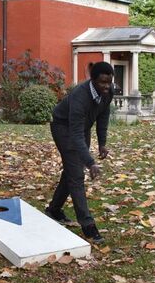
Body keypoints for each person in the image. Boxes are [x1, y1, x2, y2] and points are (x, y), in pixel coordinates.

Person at [44, 61, 115, 244]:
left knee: (71, 170)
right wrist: (90, 162)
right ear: (92, 80)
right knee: (76, 175)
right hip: (64, 128)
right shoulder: (80, 96)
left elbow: (103, 117)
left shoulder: (109, 91)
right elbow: (75, 136)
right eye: (102, 83)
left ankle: (54, 210)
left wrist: (102, 144)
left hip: (82, 128)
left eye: (109, 82)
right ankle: (88, 226)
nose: (106, 87)